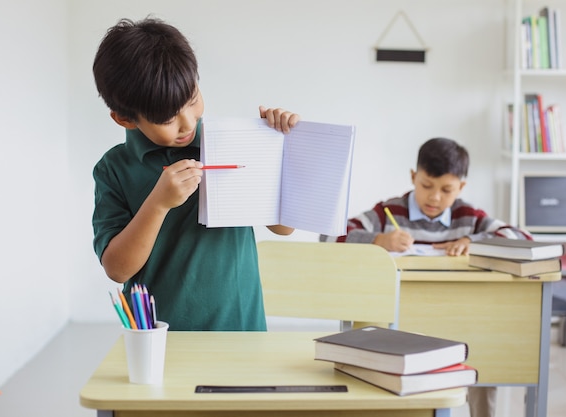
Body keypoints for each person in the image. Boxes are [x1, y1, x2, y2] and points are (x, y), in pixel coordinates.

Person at [92, 17, 299, 331]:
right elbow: (118, 270)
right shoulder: (114, 168)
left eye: (192, 101)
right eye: (167, 118)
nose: (188, 123)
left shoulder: (231, 144)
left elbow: (285, 228)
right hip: (160, 338)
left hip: (241, 329)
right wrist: (159, 203)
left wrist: (275, 148)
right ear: (125, 119)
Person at [320, 137, 532, 417]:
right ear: (413, 177)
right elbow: (329, 235)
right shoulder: (389, 213)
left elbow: (522, 238)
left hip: (464, 317)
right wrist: (379, 239)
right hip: (402, 320)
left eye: (447, 190)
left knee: (484, 357)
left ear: (461, 187)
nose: (434, 198)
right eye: (426, 186)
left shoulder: (468, 216)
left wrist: (474, 240)